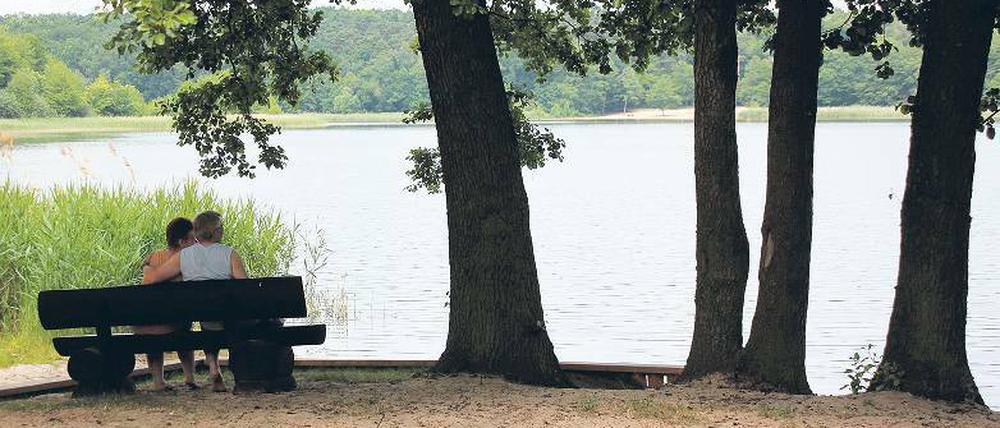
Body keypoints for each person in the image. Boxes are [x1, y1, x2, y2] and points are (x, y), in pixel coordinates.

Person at [144, 210, 249, 393]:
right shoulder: (230, 254)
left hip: (201, 315)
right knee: (230, 321)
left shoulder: (183, 256)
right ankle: (228, 371)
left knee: (207, 322)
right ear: (216, 231)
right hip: (227, 315)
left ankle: (213, 366)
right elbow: (245, 288)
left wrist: (147, 267)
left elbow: (153, 278)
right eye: (221, 228)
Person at [135, 217, 199, 392]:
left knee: (153, 319)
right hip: (173, 325)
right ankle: (190, 377)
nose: (196, 242)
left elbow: (147, 278)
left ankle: (158, 380)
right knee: (184, 325)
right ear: (182, 241)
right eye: (193, 239)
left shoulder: (154, 257)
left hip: (143, 325)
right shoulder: (185, 259)